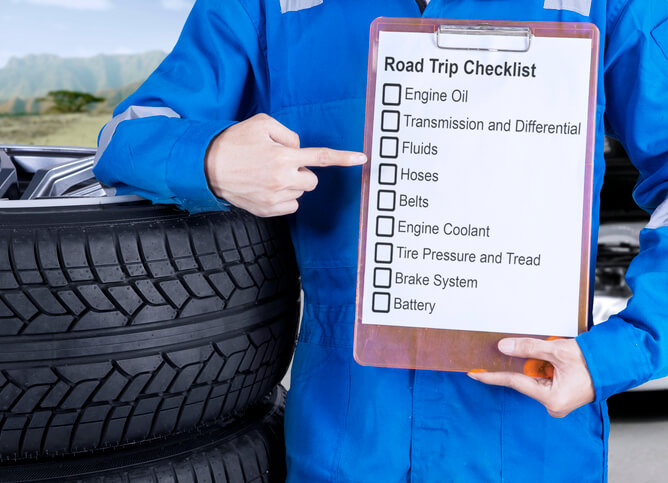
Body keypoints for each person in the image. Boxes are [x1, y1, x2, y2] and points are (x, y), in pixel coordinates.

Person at [93, 1, 668, 481]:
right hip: (346, 438)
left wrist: (620, 351)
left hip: (531, 438)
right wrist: (212, 158)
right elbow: (128, 133)